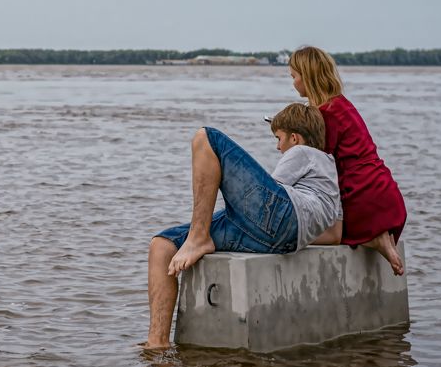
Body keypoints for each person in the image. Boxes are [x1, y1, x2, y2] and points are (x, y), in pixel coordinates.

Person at [145, 103, 342, 349]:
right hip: (281, 239)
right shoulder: (331, 172)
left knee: (205, 137)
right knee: (162, 245)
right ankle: (156, 346)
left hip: (280, 218)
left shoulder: (303, 152)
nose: (278, 147)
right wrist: (295, 239)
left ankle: (198, 238)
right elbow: (335, 235)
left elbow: (271, 196)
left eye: (279, 138)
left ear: (295, 137)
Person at [288, 46, 407, 276]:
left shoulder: (325, 114)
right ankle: (378, 238)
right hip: (385, 195)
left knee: (324, 232)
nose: (293, 83)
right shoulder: (342, 104)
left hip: (362, 199)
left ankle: (375, 239)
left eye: (294, 76)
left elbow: (316, 165)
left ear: (307, 76)